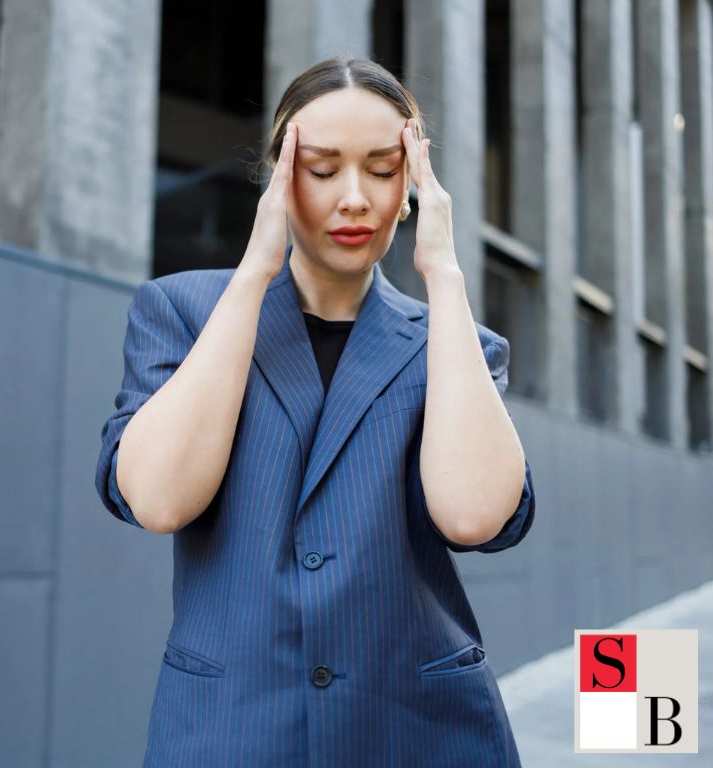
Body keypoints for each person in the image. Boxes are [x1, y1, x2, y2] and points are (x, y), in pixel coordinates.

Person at [95, 56, 536, 767]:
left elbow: (474, 515)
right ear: (279, 174)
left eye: (384, 169)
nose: (355, 198)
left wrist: (445, 277)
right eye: (322, 169)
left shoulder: (458, 344)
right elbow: (157, 499)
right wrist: (254, 273)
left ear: (415, 184)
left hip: (422, 734)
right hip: (235, 734)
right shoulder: (181, 311)